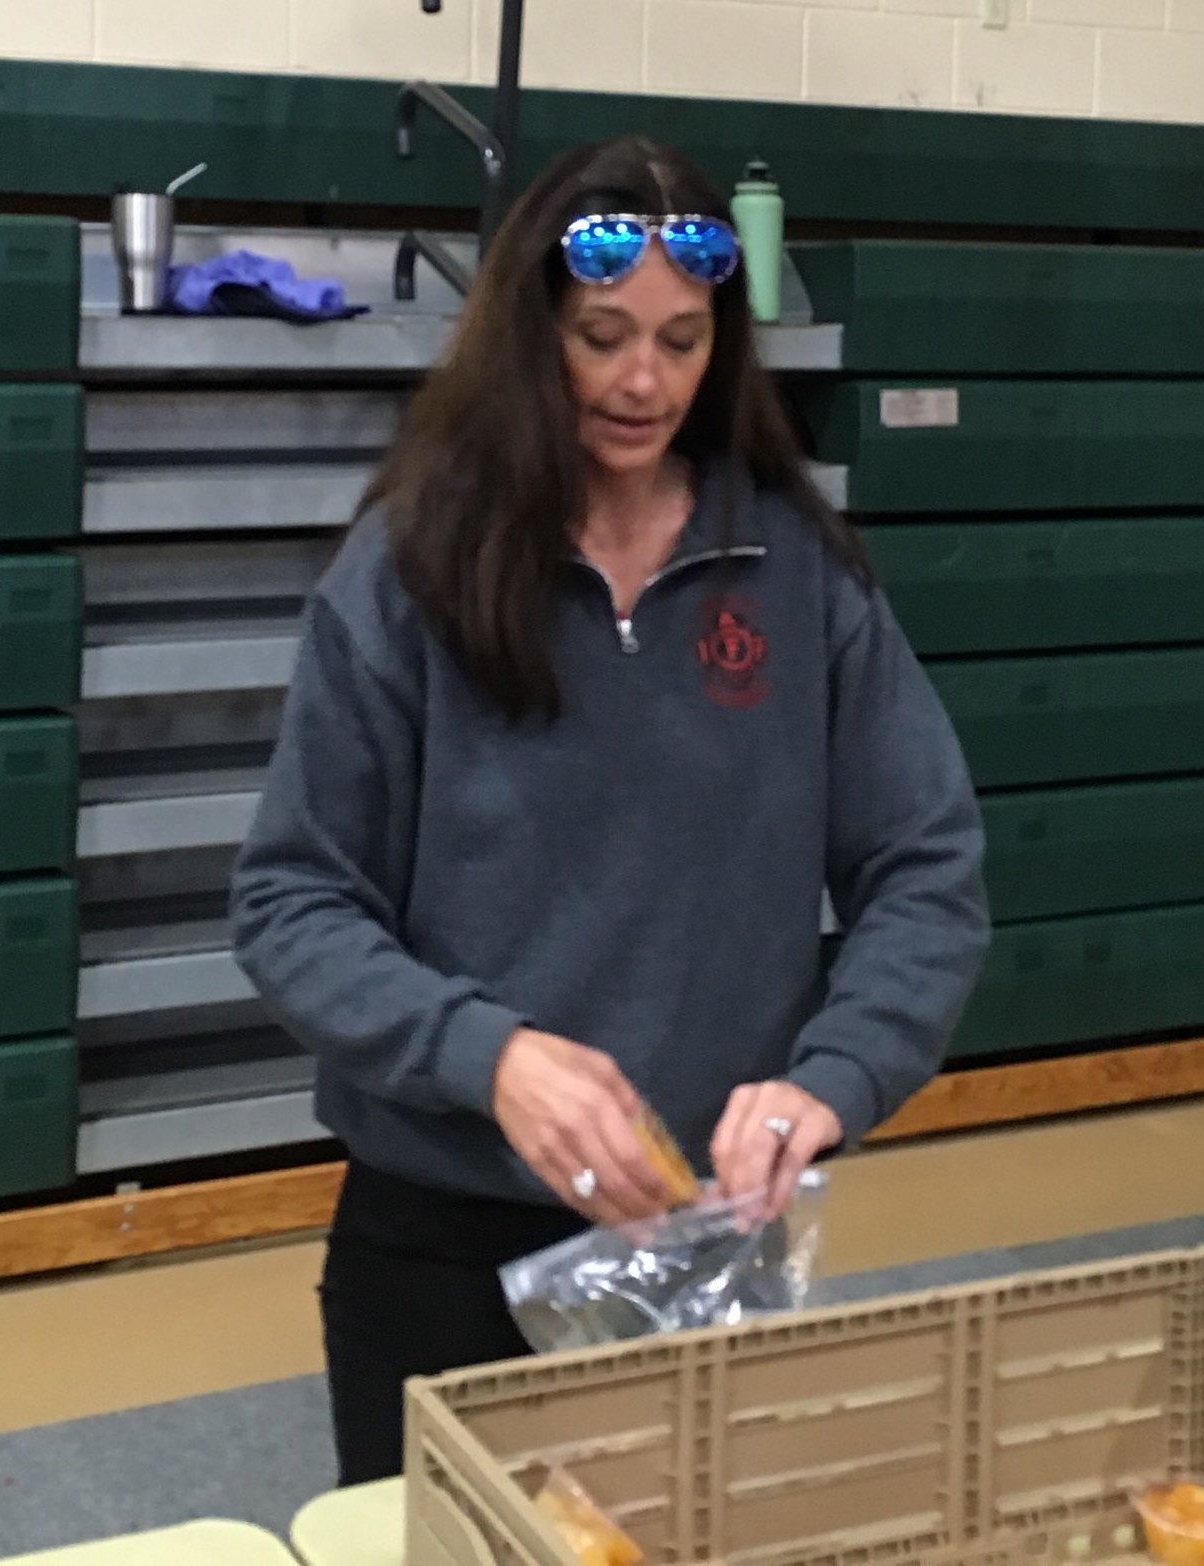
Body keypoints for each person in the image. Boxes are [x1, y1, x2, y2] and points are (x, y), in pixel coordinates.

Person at [229, 136, 992, 1484]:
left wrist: (831, 1079)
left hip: (699, 1243)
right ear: (532, 337)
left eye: (684, 341)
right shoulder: (407, 573)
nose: (647, 381)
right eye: (603, 337)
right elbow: (292, 902)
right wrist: (490, 1057)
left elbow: (926, 869)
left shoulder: (796, 569)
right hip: (442, 1235)